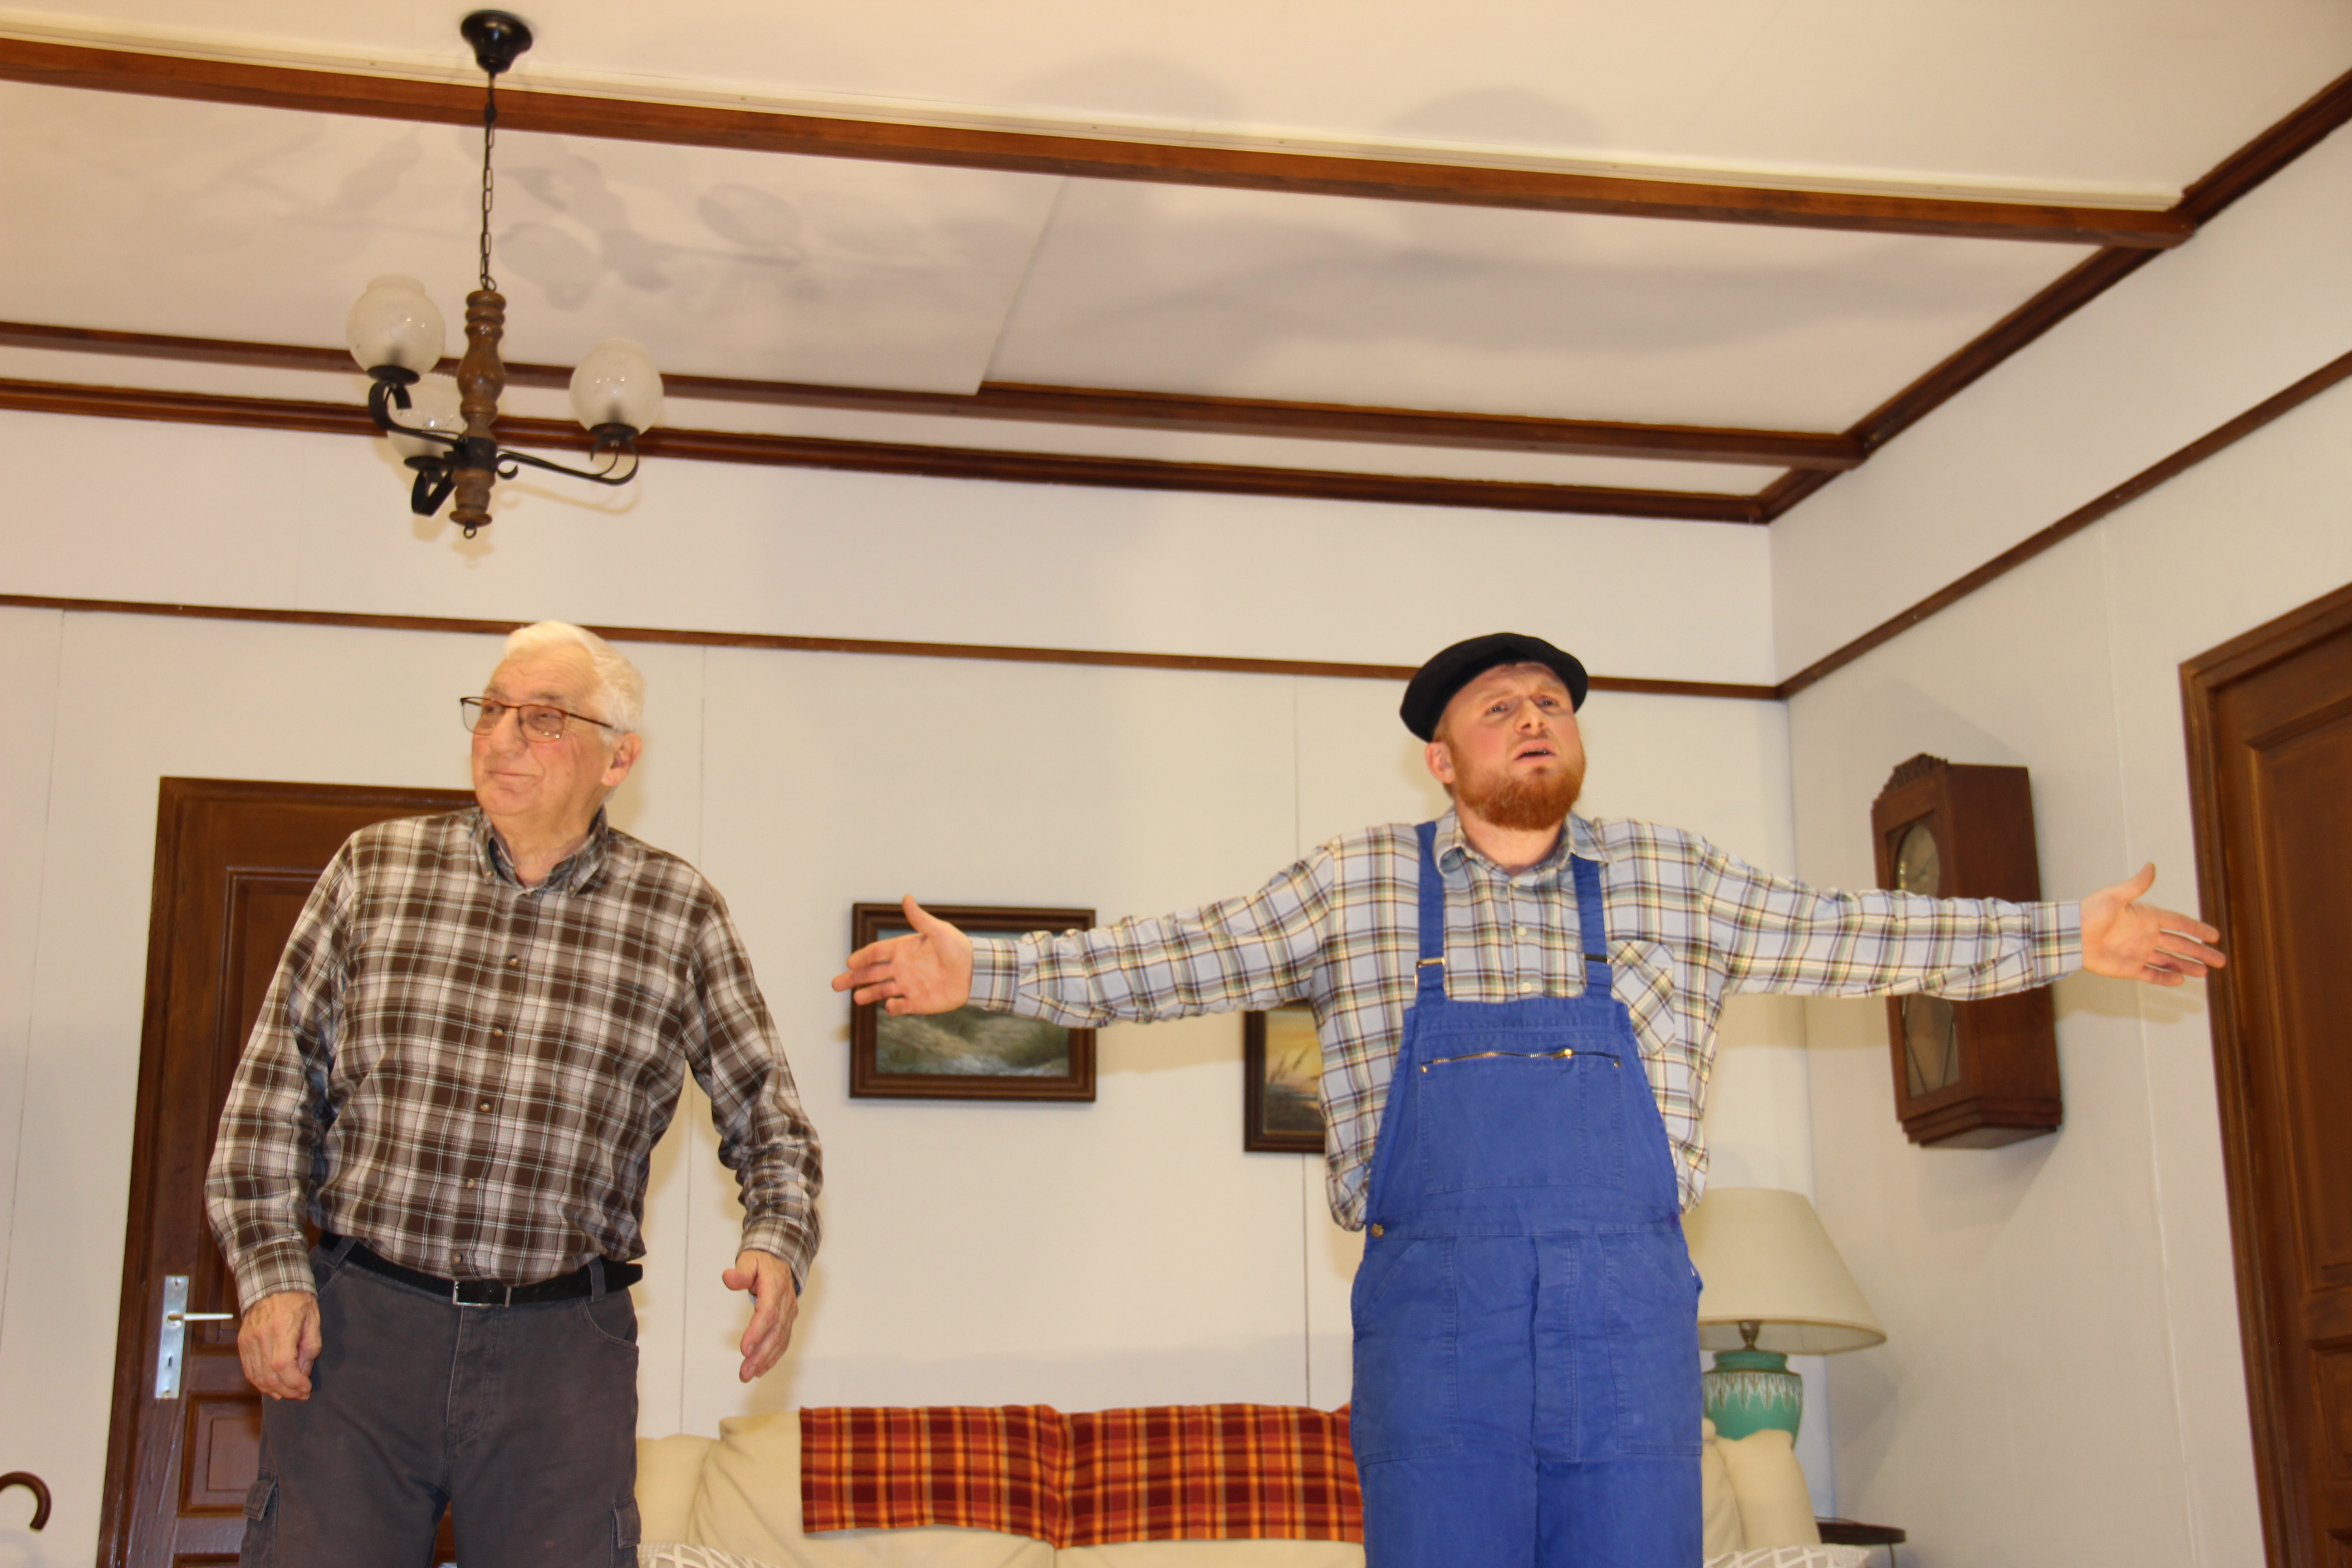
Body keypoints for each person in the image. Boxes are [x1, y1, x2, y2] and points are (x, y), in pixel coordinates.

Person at [833, 630, 2222, 1568]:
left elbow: (1863, 934)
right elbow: (1174, 959)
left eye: (1551, 701)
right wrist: (988, 970)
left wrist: (2069, 937)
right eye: (1497, 708)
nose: (1533, 717)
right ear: (1442, 761)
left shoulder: (1671, 877)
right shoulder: (1355, 885)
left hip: (1630, 1318)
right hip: (1436, 1323)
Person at [207, 621, 821, 1568]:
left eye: (542, 719)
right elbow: (272, 1095)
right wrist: (273, 1277)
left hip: (562, 1355)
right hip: (362, 1334)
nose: (500, 738)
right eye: (491, 710)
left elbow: (771, 1121)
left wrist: (776, 1242)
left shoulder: (679, 913)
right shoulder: (374, 871)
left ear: (619, 759)